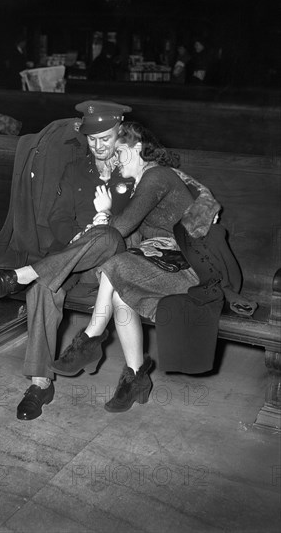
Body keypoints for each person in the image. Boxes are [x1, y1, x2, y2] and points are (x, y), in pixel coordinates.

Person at [51, 122, 251, 413]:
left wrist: (105, 214)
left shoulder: (157, 176)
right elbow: (126, 232)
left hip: (197, 271)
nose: (116, 159)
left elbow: (119, 229)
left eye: (119, 151)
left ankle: (92, 335)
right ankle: (135, 377)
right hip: (168, 263)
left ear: (137, 147)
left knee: (114, 264)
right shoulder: (144, 181)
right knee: (120, 292)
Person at [0, 101, 135, 420]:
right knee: (42, 289)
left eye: (105, 138)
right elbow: (58, 216)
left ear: (120, 134)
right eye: (92, 139)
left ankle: (22, 274)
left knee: (105, 236)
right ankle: (39, 383)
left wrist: (101, 225)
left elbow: (139, 225)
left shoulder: (135, 169)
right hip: (73, 257)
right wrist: (75, 237)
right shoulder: (76, 168)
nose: (99, 146)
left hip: (114, 264)